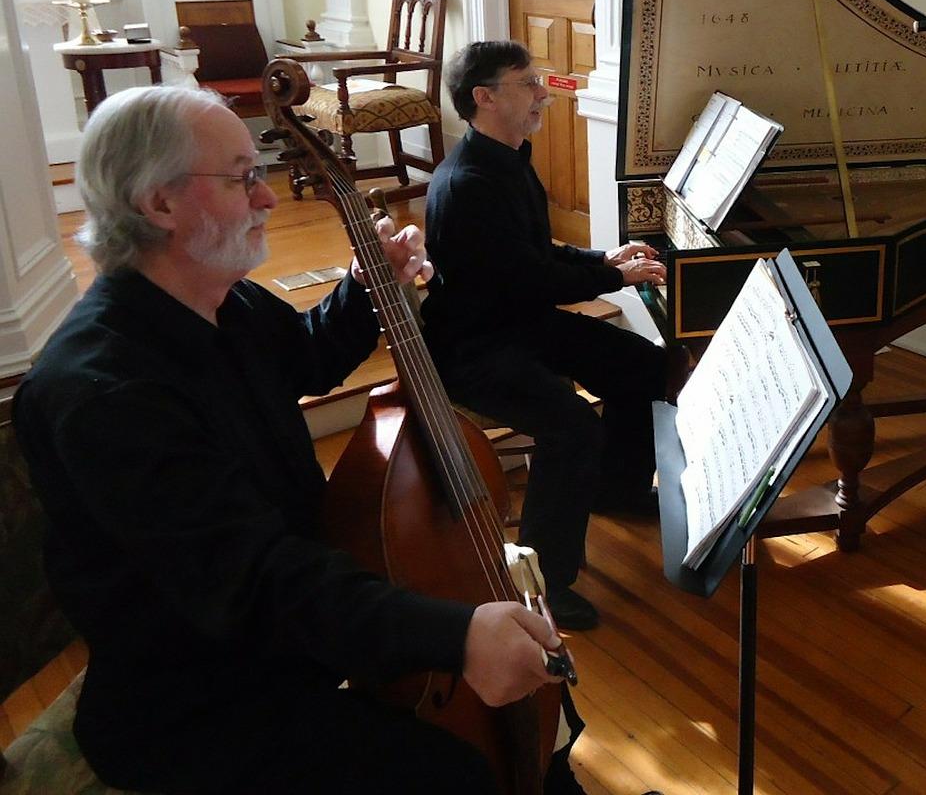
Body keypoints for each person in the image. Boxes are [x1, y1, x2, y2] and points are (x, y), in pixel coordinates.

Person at [14, 85, 585, 794]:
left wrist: (365, 283)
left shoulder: (221, 299)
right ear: (157, 203)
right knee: (450, 774)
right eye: (244, 177)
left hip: (283, 638)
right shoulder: (105, 393)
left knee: (529, 697)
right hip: (197, 697)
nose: (269, 199)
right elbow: (253, 579)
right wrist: (453, 635)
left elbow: (307, 358)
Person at [421, 40, 670, 631]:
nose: (542, 94)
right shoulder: (469, 184)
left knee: (649, 368)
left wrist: (601, 255)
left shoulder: (508, 157)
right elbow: (534, 279)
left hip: (518, 320)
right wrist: (612, 274)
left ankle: (619, 488)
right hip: (475, 347)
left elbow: (537, 256)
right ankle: (544, 583)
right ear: (484, 98)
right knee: (572, 427)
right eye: (527, 84)